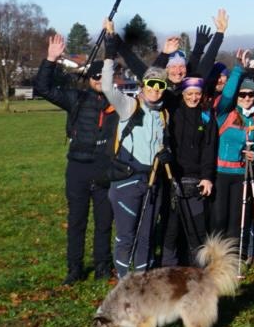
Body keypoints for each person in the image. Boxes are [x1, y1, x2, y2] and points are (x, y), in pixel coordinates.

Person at [35, 34, 116, 285]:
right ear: (89, 78)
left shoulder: (118, 103)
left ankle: (103, 266)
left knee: (104, 222)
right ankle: (74, 268)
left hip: (105, 169)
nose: (99, 80)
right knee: (77, 221)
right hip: (78, 168)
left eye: (104, 77)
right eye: (95, 76)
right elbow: (43, 88)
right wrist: (50, 60)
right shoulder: (76, 99)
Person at [101, 20, 171, 278]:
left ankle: (142, 281)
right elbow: (107, 87)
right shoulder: (129, 106)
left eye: (160, 86)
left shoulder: (163, 114)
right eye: (151, 85)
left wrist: (165, 152)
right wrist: (110, 53)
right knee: (126, 236)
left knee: (146, 235)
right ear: (143, 86)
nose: (155, 90)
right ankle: (124, 283)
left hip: (151, 182)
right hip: (127, 181)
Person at [212, 52, 254, 258]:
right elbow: (226, 95)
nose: (246, 98)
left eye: (250, 95)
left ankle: (232, 258)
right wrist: (238, 70)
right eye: (242, 95)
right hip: (220, 173)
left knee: (236, 218)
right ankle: (216, 256)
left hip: (241, 174)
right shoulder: (226, 113)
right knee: (219, 218)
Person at [161, 75, 216, 267]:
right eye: (189, 94)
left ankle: (198, 267)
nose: (193, 98)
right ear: (182, 93)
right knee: (172, 227)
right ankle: (169, 266)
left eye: (197, 94)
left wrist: (207, 177)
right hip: (173, 175)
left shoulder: (206, 115)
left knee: (197, 226)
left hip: (196, 178)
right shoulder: (173, 110)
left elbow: (209, 148)